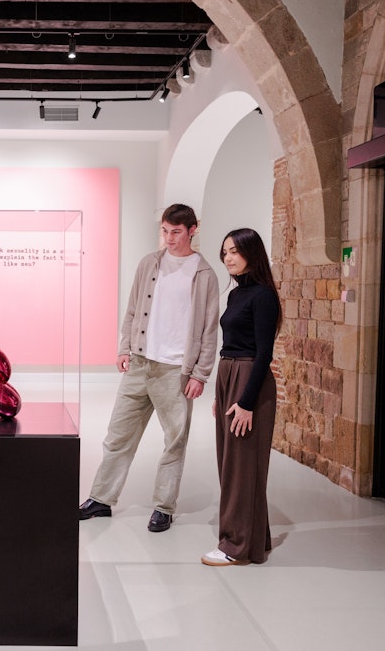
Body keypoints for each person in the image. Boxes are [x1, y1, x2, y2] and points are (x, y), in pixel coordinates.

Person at [79, 204, 220, 532]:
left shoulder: (204, 275)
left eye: (176, 232)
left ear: (192, 231)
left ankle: (163, 507)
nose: (169, 239)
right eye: (165, 231)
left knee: (174, 441)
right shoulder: (150, 263)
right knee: (117, 435)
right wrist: (124, 347)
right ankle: (101, 499)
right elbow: (132, 310)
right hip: (140, 363)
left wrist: (200, 374)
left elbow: (210, 330)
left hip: (176, 371)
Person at [202, 227, 281, 566]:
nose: (227, 258)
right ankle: (255, 540)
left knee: (241, 466)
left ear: (252, 252)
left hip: (249, 377)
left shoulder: (263, 295)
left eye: (234, 251)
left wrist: (247, 401)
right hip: (229, 374)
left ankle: (235, 546)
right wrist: (223, 394)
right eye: (225, 252)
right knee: (232, 464)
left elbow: (264, 353)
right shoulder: (236, 294)